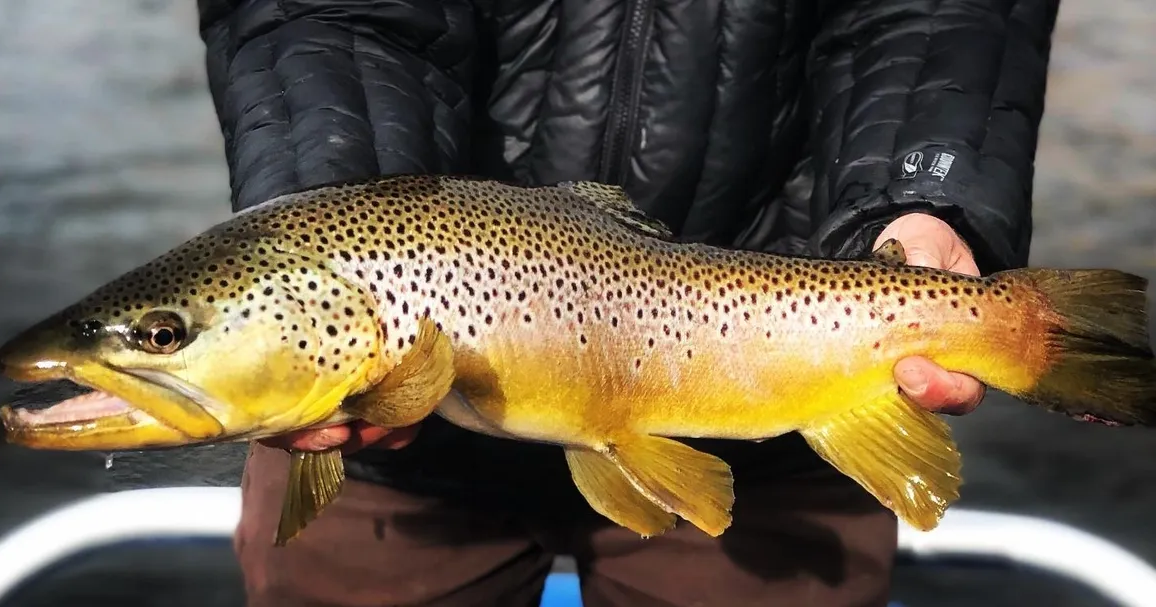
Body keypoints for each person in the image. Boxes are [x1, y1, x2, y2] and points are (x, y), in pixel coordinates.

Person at [195, 1, 1058, 605]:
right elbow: (318, 12)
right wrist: (332, 222)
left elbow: (939, 14)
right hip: (391, 452)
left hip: (783, 429)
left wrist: (926, 195)